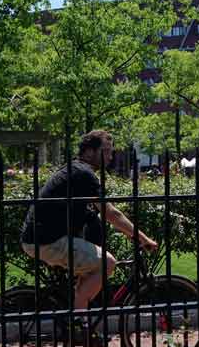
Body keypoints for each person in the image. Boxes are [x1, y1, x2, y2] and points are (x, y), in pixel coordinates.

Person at [20, 130, 159, 320]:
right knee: (108, 263)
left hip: (42, 238)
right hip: (47, 241)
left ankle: (81, 314)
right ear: (88, 152)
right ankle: (78, 324)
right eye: (106, 151)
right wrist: (142, 238)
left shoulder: (74, 169)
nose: (110, 157)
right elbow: (110, 213)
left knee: (93, 268)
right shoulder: (83, 173)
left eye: (112, 152)